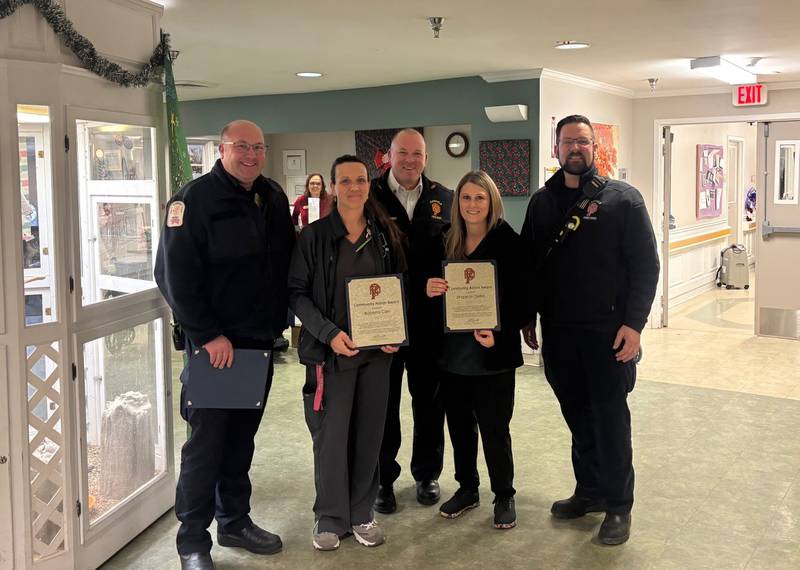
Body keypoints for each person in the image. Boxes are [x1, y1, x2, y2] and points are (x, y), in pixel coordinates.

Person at [155, 119, 295, 570]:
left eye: (258, 146)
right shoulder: (193, 200)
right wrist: (208, 335)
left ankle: (234, 521)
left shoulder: (272, 197)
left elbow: (285, 265)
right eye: (241, 146)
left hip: (258, 343)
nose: (251, 154)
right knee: (206, 446)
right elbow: (173, 276)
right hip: (218, 348)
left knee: (240, 443)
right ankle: (192, 541)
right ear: (222, 149)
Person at [521, 115, 660, 545]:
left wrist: (634, 326)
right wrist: (528, 315)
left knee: (610, 420)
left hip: (608, 335)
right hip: (559, 336)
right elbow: (529, 265)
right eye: (567, 143)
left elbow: (646, 266)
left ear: (595, 148)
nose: (575, 149)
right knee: (578, 418)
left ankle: (619, 505)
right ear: (555, 149)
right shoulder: (541, 203)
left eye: (583, 142)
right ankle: (590, 491)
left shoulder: (624, 200)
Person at [289, 155, 406, 551]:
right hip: (332, 354)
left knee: (369, 434)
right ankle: (330, 515)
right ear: (333, 187)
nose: (354, 187)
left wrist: (396, 332)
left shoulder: (384, 235)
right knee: (331, 435)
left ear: (368, 186)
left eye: (361, 180)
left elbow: (397, 287)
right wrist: (328, 333)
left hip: (377, 355)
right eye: (345, 181)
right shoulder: (314, 237)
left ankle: (361, 512)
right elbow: (297, 295)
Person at [425, 171, 527, 529]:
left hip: (492, 356)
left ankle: (504, 494)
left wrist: (498, 332)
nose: (472, 205)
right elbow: (425, 293)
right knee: (459, 427)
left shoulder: (509, 242)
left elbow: (524, 300)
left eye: (479, 198)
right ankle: (468, 488)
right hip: (452, 356)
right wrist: (430, 289)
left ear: (491, 202)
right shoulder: (444, 240)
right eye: (466, 198)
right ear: (458, 203)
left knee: (495, 429)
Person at [370, 128, 453, 513]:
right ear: (389, 155)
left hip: (428, 323)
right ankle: (383, 479)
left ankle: (427, 474)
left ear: (426, 158)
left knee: (429, 401)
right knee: (383, 404)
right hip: (383, 320)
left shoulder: (443, 198)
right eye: (402, 153)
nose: (409, 161)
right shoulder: (368, 195)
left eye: (416, 154)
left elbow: (455, 254)